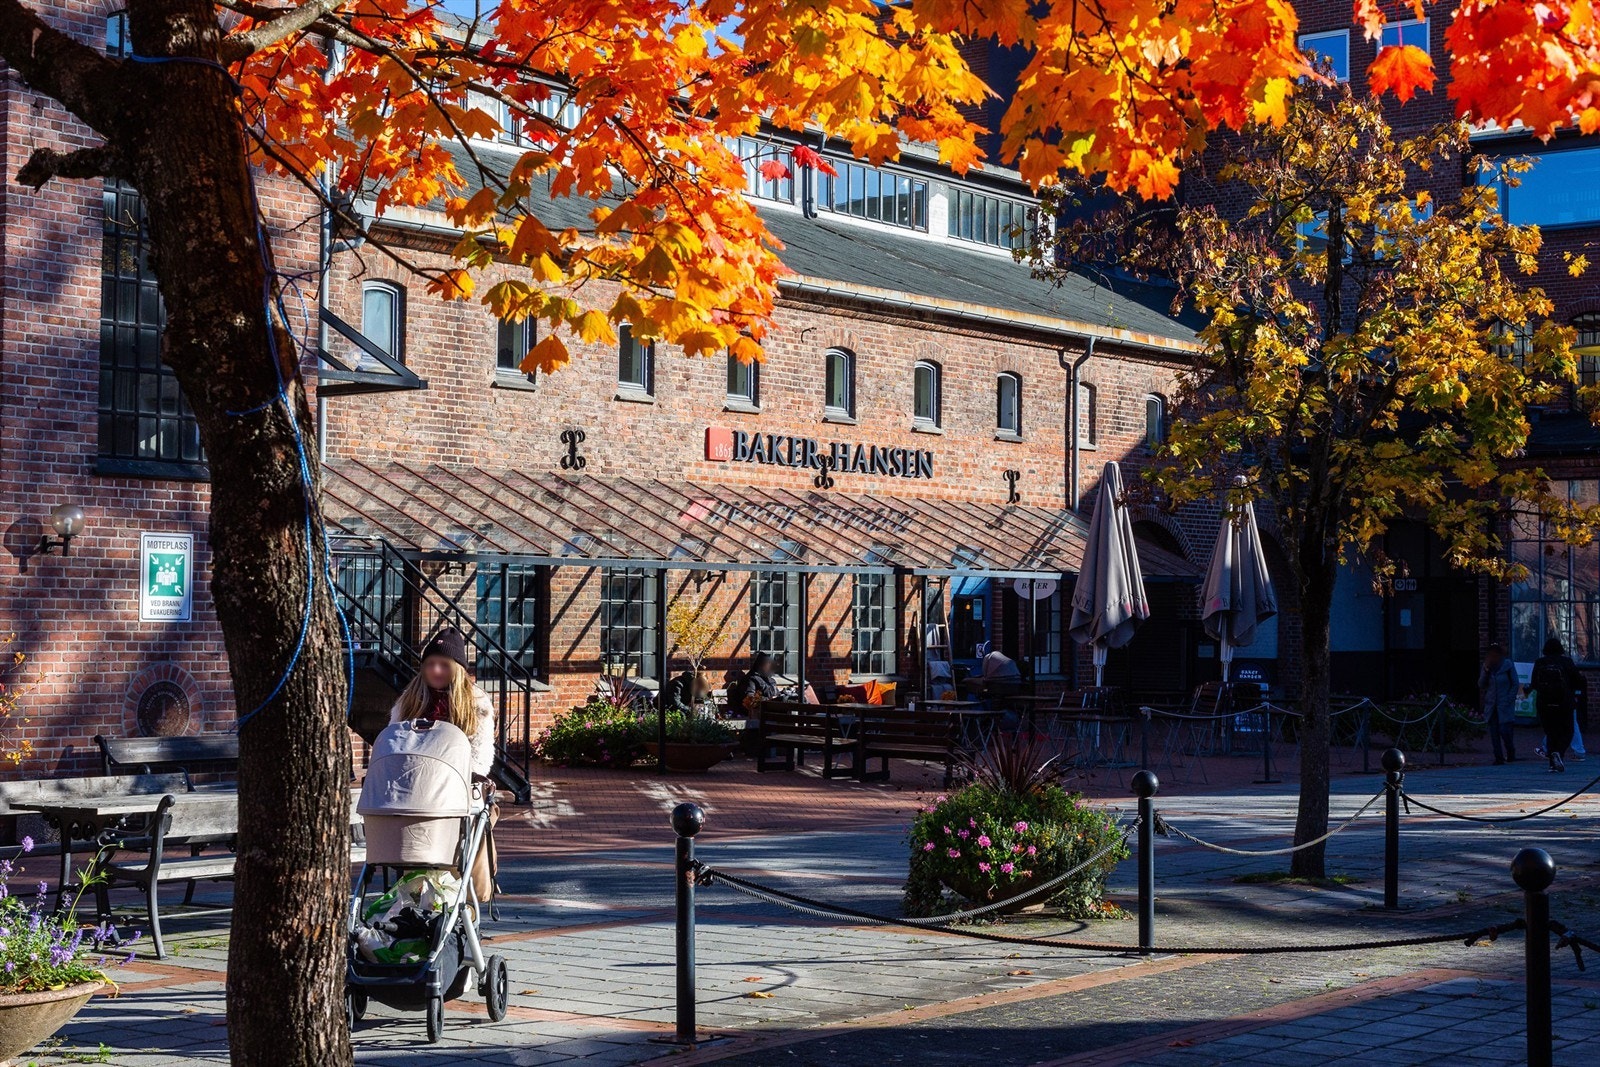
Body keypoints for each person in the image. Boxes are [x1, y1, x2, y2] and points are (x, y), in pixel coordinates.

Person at [390, 626, 495, 781]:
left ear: (457, 669)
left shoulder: (476, 703)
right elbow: (394, 738)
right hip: (411, 779)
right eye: (430, 663)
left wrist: (470, 776)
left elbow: (480, 749)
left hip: (454, 782)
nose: (436, 670)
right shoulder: (410, 698)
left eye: (445, 665)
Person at [1530, 637, 1585, 773]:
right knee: (1568, 731)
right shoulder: (1567, 662)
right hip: (1564, 702)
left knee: (1551, 732)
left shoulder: (1539, 663)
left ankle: (1552, 764)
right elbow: (1578, 681)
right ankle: (1558, 753)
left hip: (1544, 703)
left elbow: (1534, 684)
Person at [1478, 642, 1519, 765]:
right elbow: (1481, 684)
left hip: (1504, 704)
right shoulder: (1487, 667)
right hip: (1492, 705)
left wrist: (1509, 698)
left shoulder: (1507, 665)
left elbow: (1515, 683)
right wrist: (1485, 671)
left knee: (1505, 730)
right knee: (1494, 732)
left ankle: (1510, 751)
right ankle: (1498, 757)